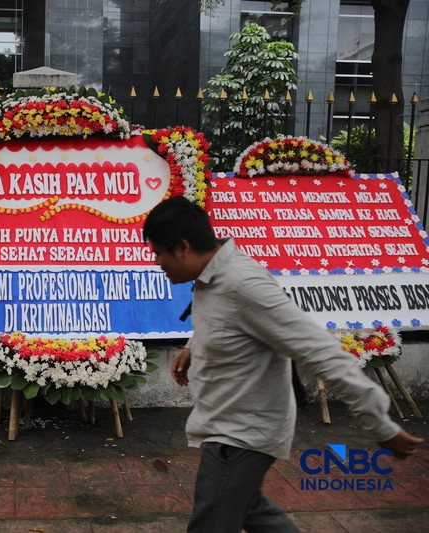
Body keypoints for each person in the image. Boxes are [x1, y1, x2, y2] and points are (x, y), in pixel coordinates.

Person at [142, 196, 423, 533]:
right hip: (226, 420)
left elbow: (319, 350)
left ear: (183, 247)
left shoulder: (244, 284)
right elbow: (228, 322)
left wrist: (379, 423)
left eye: (158, 252)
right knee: (253, 512)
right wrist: (194, 345)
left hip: (240, 434)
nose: (157, 262)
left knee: (212, 522)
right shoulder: (211, 276)